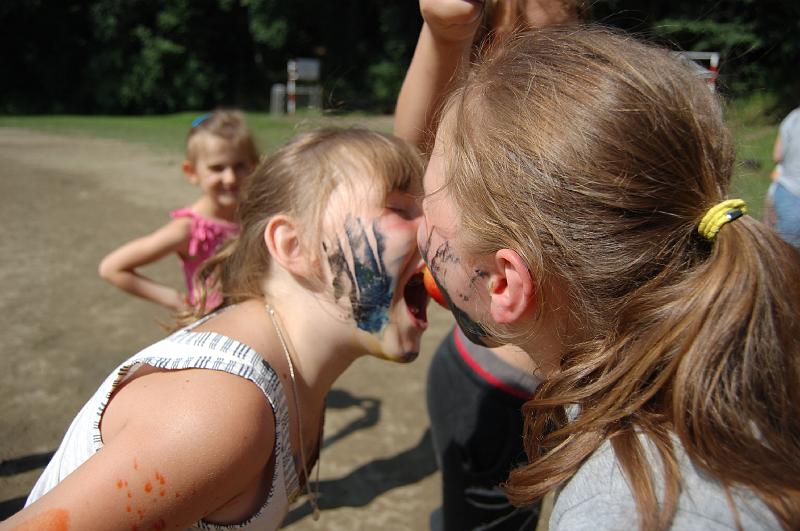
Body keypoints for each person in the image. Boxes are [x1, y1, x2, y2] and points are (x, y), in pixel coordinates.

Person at [418, 25, 800, 531]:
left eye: (429, 197)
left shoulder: (627, 512)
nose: (417, 220)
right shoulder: (737, 369)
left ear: (503, 284)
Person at [3, 128, 430, 531]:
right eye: (399, 208)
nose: (432, 231)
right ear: (294, 246)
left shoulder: (297, 377)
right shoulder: (218, 414)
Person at [395, 1, 585, 529]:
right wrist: (443, 34)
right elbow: (411, 155)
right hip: (495, 386)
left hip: (567, 389)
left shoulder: (587, 116)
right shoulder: (485, 116)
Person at [98, 110, 260, 312]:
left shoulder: (257, 215)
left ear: (254, 166)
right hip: (213, 324)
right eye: (217, 168)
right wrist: (176, 300)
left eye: (239, 166)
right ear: (191, 172)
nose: (230, 178)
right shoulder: (189, 230)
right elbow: (112, 268)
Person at [769, 107, 800, 248]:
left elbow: (777, 156)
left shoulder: (793, 118)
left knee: (786, 251)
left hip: (790, 190)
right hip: (791, 191)